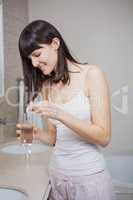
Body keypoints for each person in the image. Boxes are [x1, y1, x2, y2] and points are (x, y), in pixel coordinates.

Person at [17, 20, 116, 200]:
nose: (33, 63)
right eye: (29, 58)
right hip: (57, 178)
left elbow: (104, 137)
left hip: (89, 180)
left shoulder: (92, 75)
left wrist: (60, 114)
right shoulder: (46, 86)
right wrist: (37, 134)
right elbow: (55, 139)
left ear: (55, 43)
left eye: (37, 54)